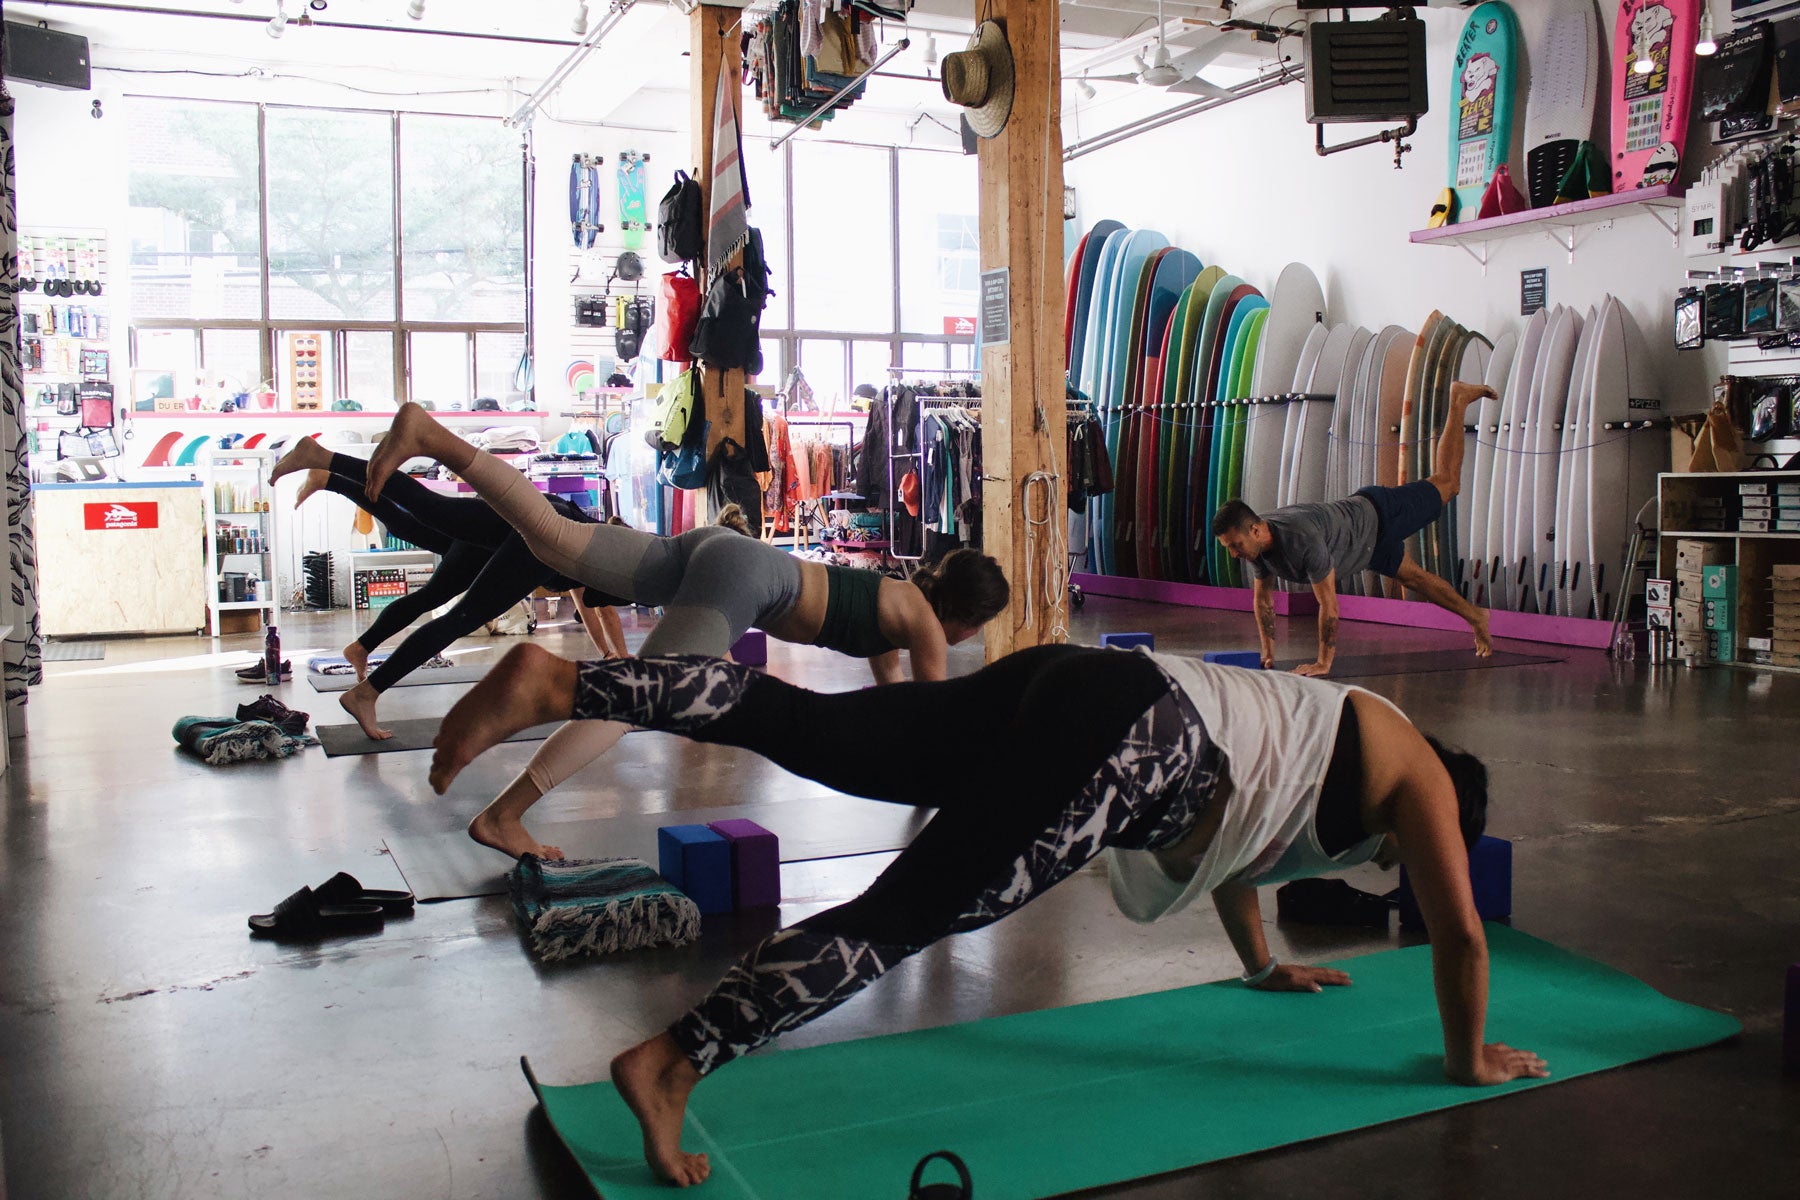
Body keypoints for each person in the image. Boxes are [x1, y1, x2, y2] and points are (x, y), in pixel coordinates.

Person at [426, 640, 1549, 1184]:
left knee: (821, 730)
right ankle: (675, 1058)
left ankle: (565, 684)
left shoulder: (1344, 729)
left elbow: (1245, 843)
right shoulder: (1428, 786)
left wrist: (1262, 968)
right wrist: (1468, 1060)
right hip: (1137, 744)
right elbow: (1458, 932)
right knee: (903, 914)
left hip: (1090, 685)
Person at [359, 402, 1011, 859]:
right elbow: (937, 720)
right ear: (967, 615)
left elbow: (896, 710)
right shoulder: (923, 624)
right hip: (749, 578)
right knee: (637, 699)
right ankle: (504, 814)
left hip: (718, 549)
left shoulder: (899, 600)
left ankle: (432, 437)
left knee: (556, 539)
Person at [273, 440, 625, 740]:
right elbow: (602, 609)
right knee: (453, 608)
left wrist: (612, 656)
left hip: (536, 521)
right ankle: (367, 691)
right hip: (539, 537)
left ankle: (329, 472)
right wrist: (621, 660)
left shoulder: (601, 548)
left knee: (425, 522)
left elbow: (591, 605)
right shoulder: (610, 564)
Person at [1212, 381, 1496, 676]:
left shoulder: (1301, 538)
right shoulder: (1256, 548)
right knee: (1415, 579)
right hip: (1364, 546)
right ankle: (1476, 617)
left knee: (1448, 484)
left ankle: (1458, 400)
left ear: (1255, 530)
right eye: (1229, 547)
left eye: (1236, 545)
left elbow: (1329, 606)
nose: (1234, 554)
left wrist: (1323, 663)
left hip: (1381, 514)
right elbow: (1263, 601)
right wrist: (1267, 655)